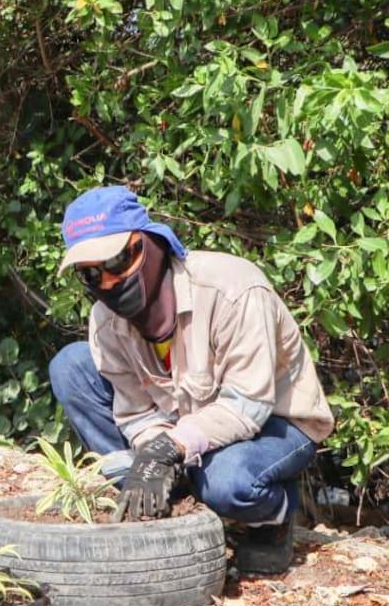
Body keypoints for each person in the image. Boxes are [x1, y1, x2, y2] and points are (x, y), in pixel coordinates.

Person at [48, 186, 335, 574]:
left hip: (273, 421)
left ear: (150, 243)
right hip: (187, 424)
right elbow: (133, 413)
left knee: (227, 483)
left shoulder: (233, 288)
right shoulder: (105, 320)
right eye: (91, 273)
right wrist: (156, 456)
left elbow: (247, 405)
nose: (109, 282)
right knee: (72, 366)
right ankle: (169, 496)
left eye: (117, 260)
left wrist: (170, 448)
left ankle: (274, 517)